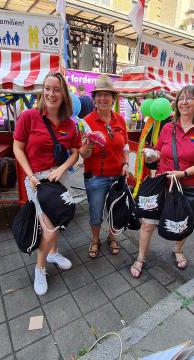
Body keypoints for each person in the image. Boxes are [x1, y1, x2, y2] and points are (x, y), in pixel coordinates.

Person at [130, 85, 194, 277]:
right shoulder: (168, 127)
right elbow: (160, 151)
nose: (184, 102)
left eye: (189, 98)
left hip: (188, 187)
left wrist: (183, 173)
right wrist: (152, 155)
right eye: (181, 98)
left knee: (182, 224)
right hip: (163, 185)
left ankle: (178, 250)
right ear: (176, 103)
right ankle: (141, 257)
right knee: (147, 223)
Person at [13, 72, 80, 296]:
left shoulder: (70, 124)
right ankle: (40, 268)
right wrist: (30, 175)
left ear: (64, 94)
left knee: (59, 219)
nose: (52, 94)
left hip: (60, 178)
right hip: (36, 180)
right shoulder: (29, 117)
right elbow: (17, 148)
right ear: (43, 91)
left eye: (57, 89)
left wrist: (62, 169)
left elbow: (76, 153)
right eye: (48, 88)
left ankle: (53, 253)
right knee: (49, 228)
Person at [79, 75, 129, 258]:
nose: (103, 99)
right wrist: (88, 146)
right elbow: (82, 154)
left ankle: (112, 237)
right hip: (96, 177)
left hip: (117, 175)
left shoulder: (120, 120)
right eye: (99, 95)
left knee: (117, 209)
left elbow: (125, 145)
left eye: (107, 95)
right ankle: (95, 239)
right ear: (94, 98)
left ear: (113, 98)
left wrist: (126, 162)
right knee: (95, 211)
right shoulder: (86, 122)